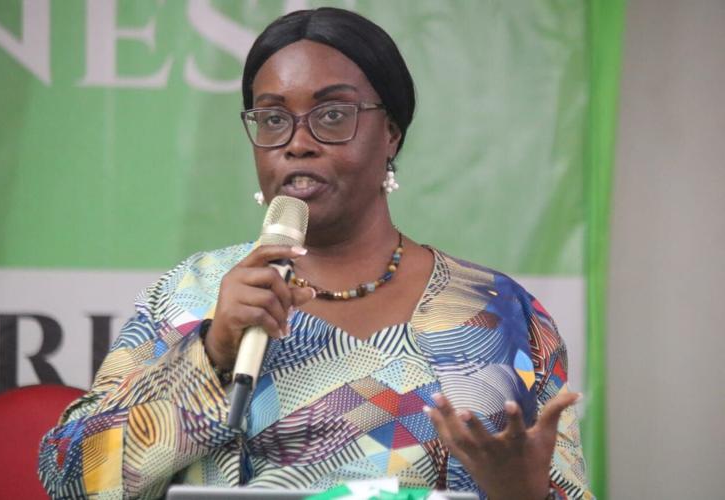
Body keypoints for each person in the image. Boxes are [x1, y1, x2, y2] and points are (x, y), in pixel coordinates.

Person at [39, 7, 592, 500]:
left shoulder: (496, 312)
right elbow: (68, 479)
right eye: (273, 118)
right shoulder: (193, 292)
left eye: (332, 115)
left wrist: (523, 497)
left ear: (391, 133)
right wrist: (211, 353)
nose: (297, 143)